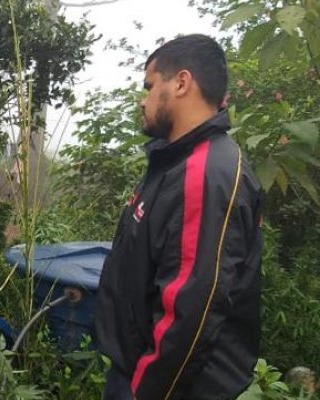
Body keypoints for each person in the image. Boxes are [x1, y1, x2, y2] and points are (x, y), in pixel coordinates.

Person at [94, 34, 264, 400]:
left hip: (165, 387)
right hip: (139, 371)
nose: (143, 99)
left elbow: (192, 311)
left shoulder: (206, 174)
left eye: (150, 86)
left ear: (182, 83)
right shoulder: (176, 162)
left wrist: (145, 388)